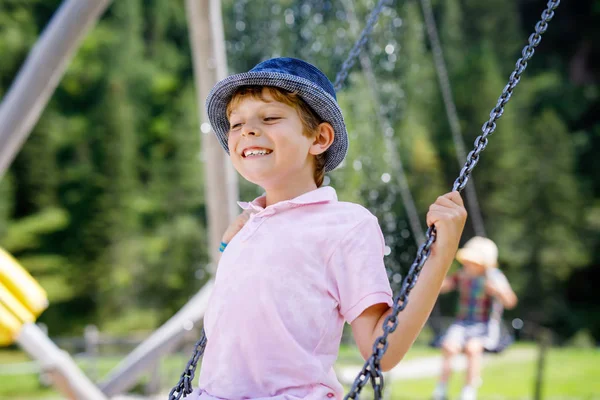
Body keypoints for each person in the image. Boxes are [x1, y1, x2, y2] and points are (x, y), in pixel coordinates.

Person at [192, 57, 467, 400]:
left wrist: (441, 256)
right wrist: (225, 249)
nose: (246, 130)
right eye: (236, 124)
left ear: (319, 138)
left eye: (270, 117)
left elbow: (382, 350)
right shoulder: (246, 226)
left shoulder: (345, 226)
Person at [432, 236, 518, 400]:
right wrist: (435, 275)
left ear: (483, 264)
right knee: (449, 347)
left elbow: (511, 301)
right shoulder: (462, 275)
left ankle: (468, 391)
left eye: (473, 262)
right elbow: (443, 286)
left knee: (473, 349)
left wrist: (497, 291)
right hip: (462, 322)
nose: (468, 264)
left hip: (484, 324)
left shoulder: (494, 277)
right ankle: (441, 389)